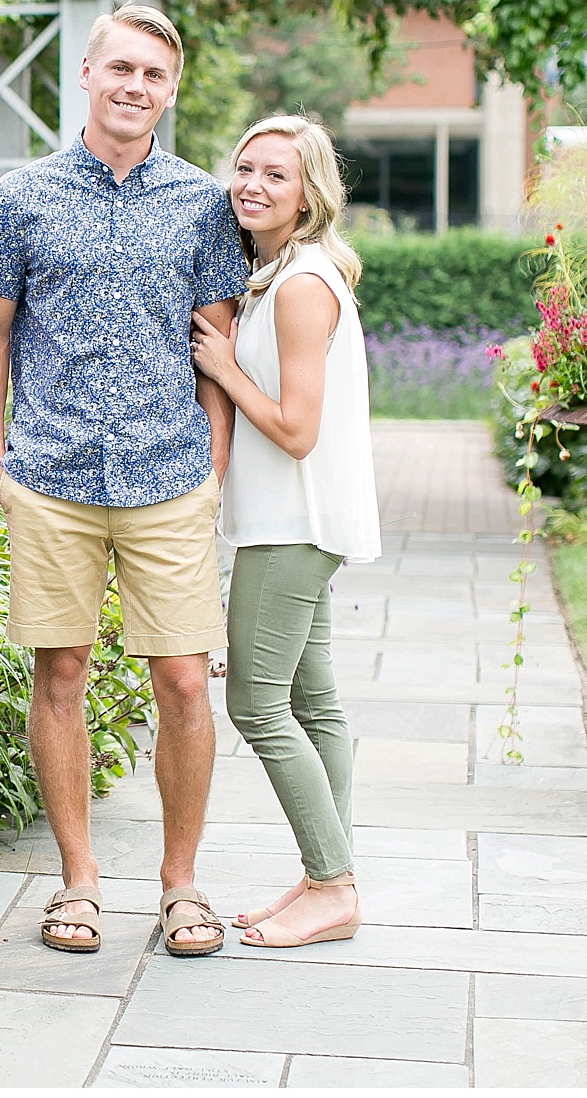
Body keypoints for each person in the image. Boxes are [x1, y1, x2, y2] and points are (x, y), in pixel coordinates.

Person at [0, 3, 247, 958]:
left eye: (155, 76)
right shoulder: (21, 197)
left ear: (171, 91)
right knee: (62, 671)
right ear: (85, 73)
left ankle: (180, 885)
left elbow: (218, 342)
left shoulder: (205, 203)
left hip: (169, 475)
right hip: (53, 474)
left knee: (182, 682)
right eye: (120, 68)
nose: (135, 88)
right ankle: (78, 882)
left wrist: (213, 462)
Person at [189, 115, 381, 949]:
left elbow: (297, 429)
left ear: (309, 196)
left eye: (276, 174)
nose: (253, 185)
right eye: (244, 168)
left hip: (292, 523)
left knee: (256, 703)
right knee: (314, 702)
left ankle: (332, 885)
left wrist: (224, 365)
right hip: (300, 519)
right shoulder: (279, 274)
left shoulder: (301, 285)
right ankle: (323, 875)